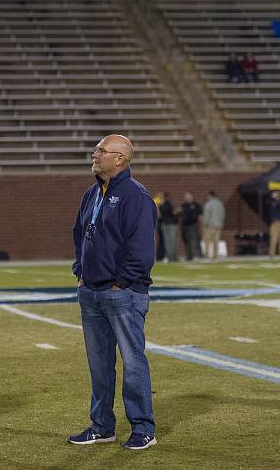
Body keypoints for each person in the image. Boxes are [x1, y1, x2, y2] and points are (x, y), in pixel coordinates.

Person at [69, 134, 158, 450]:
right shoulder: (92, 192)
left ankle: (143, 428)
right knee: (99, 364)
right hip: (92, 292)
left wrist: (121, 281)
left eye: (101, 151)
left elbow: (141, 248)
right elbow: (80, 234)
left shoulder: (135, 196)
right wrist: (81, 272)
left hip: (123, 293)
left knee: (133, 362)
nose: (95, 154)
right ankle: (102, 425)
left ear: (120, 158)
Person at [202, 191, 226, 261]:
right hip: (218, 226)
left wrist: (205, 224)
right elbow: (223, 214)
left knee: (207, 241)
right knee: (216, 241)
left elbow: (207, 215)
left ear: (210, 196)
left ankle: (208, 256)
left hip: (210, 225)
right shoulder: (220, 204)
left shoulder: (208, 204)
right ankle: (215, 256)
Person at [178, 192, 202, 261]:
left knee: (194, 240)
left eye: (188, 197)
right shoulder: (183, 205)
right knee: (187, 241)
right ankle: (189, 255)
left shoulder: (196, 205)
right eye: (186, 197)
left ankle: (197, 255)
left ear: (192, 197)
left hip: (193, 225)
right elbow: (179, 214)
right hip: (185, 226)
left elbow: (200, 215)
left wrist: (201, 226)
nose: (187, 199)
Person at [159, 192, 179, 262]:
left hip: (165, 224)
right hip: (170, 224)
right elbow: (173, 212)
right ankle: (172, 257)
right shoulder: (167, 205)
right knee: (171, 242)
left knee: (168, 242)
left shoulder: (162, 205)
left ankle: (170, 257)